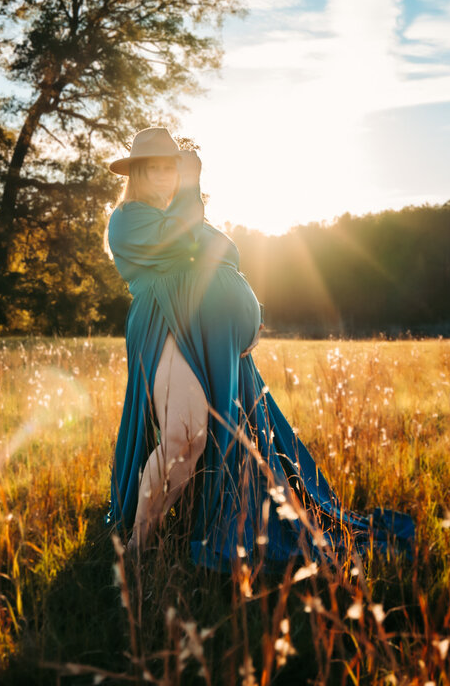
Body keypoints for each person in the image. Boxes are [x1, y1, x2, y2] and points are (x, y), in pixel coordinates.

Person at [105, 127, 414, 571]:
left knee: (222, 439)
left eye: (172, 168)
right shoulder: (128, 218)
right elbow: (180, 240)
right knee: (184, 436)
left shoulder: (190, 215)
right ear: (136, 173)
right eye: (154, 167)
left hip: (212, 334)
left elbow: (222, 262)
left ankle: (189, 524)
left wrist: (245, 315)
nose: (164, 176)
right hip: (167, 321)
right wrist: (192, 188)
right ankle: (136, 551)